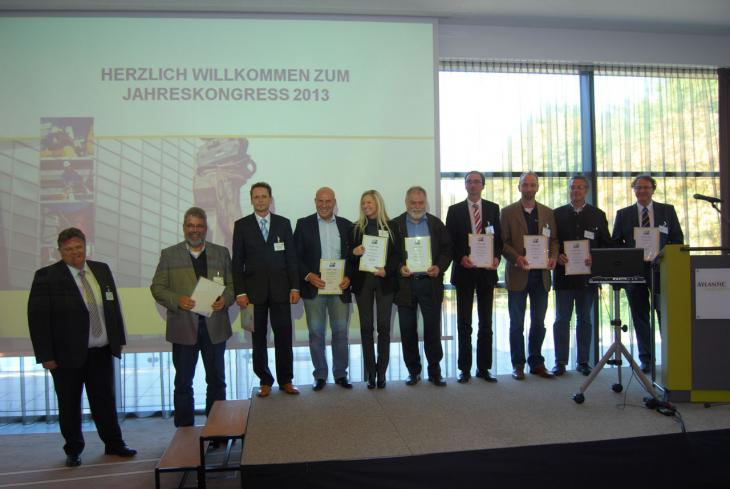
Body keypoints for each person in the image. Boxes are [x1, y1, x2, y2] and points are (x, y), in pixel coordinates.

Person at [27, 227, 136, 467]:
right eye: (68, 249)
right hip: (65, 356)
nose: (75, 253)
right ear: (60, 251)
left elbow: (112, 307)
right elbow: (38, 320)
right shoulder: (46, 276)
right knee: (69, 404)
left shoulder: (101, 270)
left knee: (104, 401)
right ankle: (73, 449)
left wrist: (117, 340)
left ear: (86, 247)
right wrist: (45, 355)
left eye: (79, 247)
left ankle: (114, 443)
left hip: (100, 351)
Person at [150, 207, 234, 427]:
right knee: (183, 383)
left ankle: (217, 428)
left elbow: (233, 285)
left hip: (215, 327)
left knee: (217, 381)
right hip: (183, 327)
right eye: (190, 226)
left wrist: (225, 299)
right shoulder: (169, 254)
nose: (194, 230)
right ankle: (184, 430)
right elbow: (157, 288)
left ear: (205, 229)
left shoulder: (221, 253)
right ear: (184, 228)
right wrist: (177, 299)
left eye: (199, 226)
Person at [232, 182, 300, 397]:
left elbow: (291, 259)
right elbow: (237, 262)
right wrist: (240, 292)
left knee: (284, 337)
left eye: (264, 196)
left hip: (281, 291)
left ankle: (286, 380)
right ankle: (265, 380)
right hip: (253, 294)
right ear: (251, 200)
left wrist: (295, 286)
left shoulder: (283, 223)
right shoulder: (241, 225)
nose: (260, 200)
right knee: (258, 339)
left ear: (270, 199)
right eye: (256, 197)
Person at [611, 174, 684, 373]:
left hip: (662, 270)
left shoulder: (667, 211)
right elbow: (615, 242)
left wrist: (663, 254)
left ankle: (670, 357)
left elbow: (677, 238)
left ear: (653, 189)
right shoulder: (623, 214)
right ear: (634, 190)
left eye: (646, 187)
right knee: (640, 315)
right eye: (638, 187)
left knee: (664, 313)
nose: (642, 191)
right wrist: (631, 255)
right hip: (635, 271)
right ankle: (646, 359)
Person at [391, 186, 453, 386]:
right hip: (405, 285)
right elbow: (389, 254)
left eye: (420, 203)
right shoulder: (395, 225)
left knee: (432, 329)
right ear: (406, 203)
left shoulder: (436, 224)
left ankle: (435, 370)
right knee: (407, 330)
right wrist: (399, 267)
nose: (417, 206)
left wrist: (439, 267)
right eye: (413, 203)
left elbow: (447, 250)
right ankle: (413, 370)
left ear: (425, 203)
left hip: (430, 284)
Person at [551, 176, 612, 376]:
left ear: (586, 190)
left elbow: (606, 244)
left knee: (585, 319)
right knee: (562, 320)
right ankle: (560, 362)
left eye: (580, 187)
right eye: (572, 187)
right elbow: (551, 241)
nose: (576, 191)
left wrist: (595, 257)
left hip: (588, 278)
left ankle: (583, 361)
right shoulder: (557, 214)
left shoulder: (598, 215)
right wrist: (556, 255)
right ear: (569, 190)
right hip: (564, 277)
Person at [500, 172, 559, 380]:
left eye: (533, 185)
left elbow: (554, 240)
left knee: (539, 322)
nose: (529, 188)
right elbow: (502, 242)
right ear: (519, 187)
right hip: (518, 273)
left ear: (537, 187)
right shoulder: (507, 212)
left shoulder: (548, 213)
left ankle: (536, 362)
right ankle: (518, 365)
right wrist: (517, 258)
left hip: (541, 276)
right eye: (525, 185)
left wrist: (553, 257)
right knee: (516, 323)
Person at [294, 187, 353, 391]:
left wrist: (349, 276)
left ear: (334, 202)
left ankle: (340, 374)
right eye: (321, 201)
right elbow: (295, 256)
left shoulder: (347, 225)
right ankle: (320, 374)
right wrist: (309, 276)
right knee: (316, 333)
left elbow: (353, 258)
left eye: (328, 201)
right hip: (314, 288)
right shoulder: (303, 224)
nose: (325, 205)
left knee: (341, 333)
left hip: (339, 288)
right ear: (315, 202)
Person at [446, 171, 502, 384]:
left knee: (486, 322)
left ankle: (484, 368)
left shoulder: (493, 209)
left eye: (477, 181)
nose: (473, 185)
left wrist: (496, 257)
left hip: (487, 273)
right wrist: (461, 258)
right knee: (464, 323)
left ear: (483, 185)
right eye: (469, 181)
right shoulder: (454, 210)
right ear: (465, 185)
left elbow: (499, 239)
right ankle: (464, 368)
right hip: (464, 272)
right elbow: (449, 241)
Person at [349, 190, 397, 389]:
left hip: (384, 282)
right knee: (366, 327)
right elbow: (348, 257)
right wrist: (354, 252)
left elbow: (398, 257)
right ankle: (370, 372)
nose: (366, 206)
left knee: (384, 327)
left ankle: (382, 372)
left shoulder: (392, 227)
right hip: (363, 283)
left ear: (378, 203)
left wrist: (387, 270)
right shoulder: (356, 228)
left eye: (369, 202)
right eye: (363, 203)